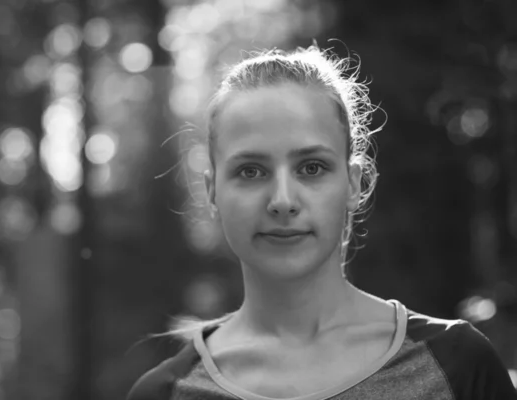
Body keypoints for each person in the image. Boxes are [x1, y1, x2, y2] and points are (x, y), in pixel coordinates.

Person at [126, 44, 517, 400]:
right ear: (211, 191)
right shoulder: (164, 393)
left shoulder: (458, 366)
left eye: (311, 168)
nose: (282, 201)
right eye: (250, 171)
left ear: (354, 184)